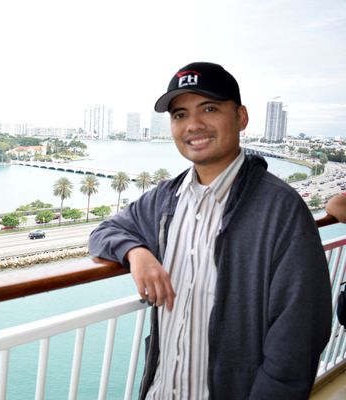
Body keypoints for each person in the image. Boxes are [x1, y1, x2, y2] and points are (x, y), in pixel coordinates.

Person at [88, 62, 332, 399]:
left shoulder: (281, 209)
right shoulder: (165, 198)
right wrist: (136, 253)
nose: (193, 125)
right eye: (180, 115)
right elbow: (105, 231)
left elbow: (297, 337)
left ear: (241, 117)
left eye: (210, 108)